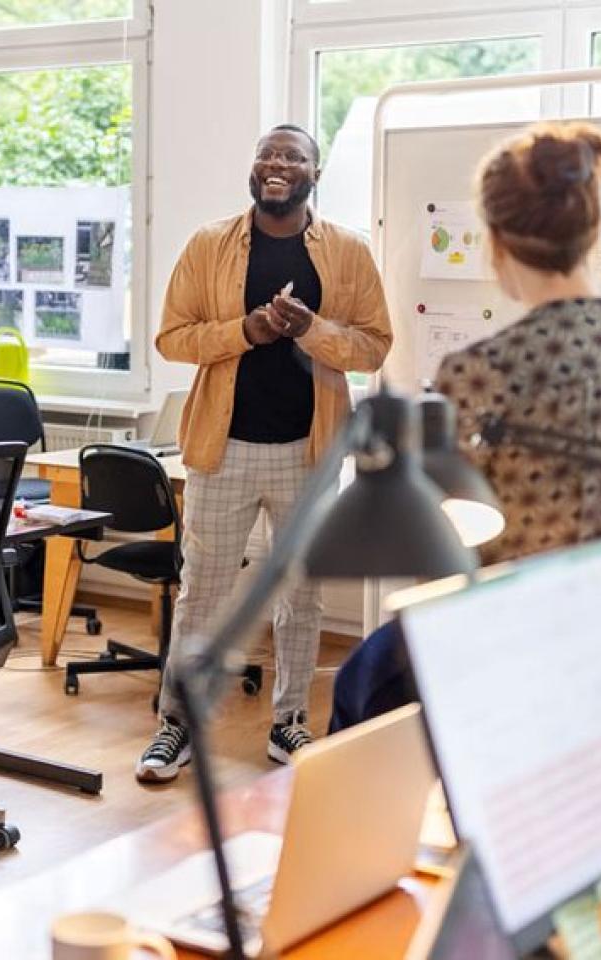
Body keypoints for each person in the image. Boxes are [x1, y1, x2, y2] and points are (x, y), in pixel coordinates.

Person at [330, 121, 601, 732]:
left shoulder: (483, 372)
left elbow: (445, 553)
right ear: (592, 232)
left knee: (360, 685)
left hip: (529, 655)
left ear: (495, 242)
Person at [141, 123, 393, 783]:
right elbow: (173, 337)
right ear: (254, 168)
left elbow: (372, 347)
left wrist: (312, 330)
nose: (277, 164)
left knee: (302, 595)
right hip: (220, 448)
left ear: (314, 172)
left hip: (309, 454)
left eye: (293, 156)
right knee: (203, 594)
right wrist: (246, 330)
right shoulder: (209, 245)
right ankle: (177, 724)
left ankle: (290, 723)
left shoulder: (346, 252)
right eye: (267, 153)